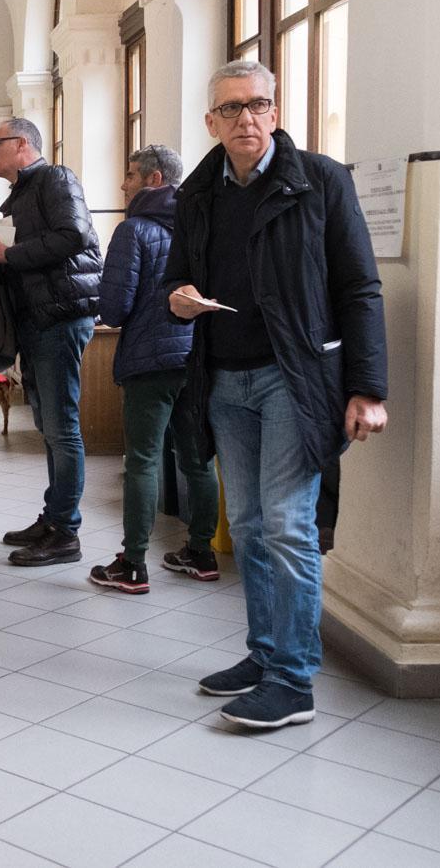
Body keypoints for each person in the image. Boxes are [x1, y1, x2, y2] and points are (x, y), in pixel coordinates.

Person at [164, 60, 387, 729]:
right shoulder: (197, 194)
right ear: (210, 122)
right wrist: (176, 299)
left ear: (275, 110)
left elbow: (359, 287)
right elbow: (176, 279)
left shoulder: (319, 181)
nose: (245, 119)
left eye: (256, 105)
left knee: (288, 525)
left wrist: (367, 387)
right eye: (229, 109)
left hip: (294, 379)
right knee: (254, 526)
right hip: (225, 379)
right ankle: (263, 656)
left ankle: (293, 680)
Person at [90, 145, 220, 593]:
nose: (123, 184)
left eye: (129, 175)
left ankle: (132, 563)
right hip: (197, 358)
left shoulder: (135, 231)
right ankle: (201, 553)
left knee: (143, 459)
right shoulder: (201, 223)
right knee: (198, 456)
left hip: (150, 361)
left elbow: (115, 308)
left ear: (154, 179)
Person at [0, 117, 102, 566]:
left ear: (22, 145)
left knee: (62, 428)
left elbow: (73, 235)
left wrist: (9, 255)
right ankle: (53, 518)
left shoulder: (55, 178)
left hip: (61, 316)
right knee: (51, 428)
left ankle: (65, 532)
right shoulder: (23, 193)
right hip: (39, 317)